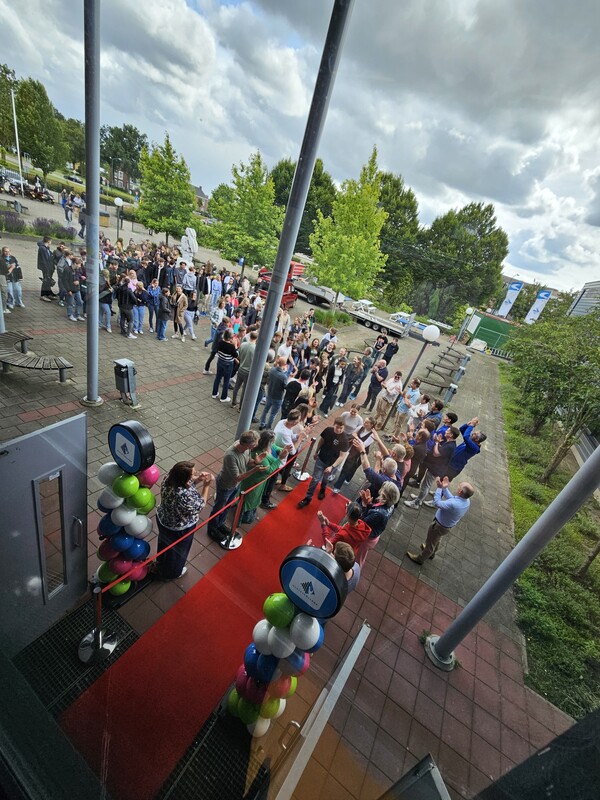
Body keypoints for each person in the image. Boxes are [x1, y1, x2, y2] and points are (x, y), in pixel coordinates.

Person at [155, 461, 213, 579]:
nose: (196, 474)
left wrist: (197, 480)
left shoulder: (168, 478)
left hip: (163, 518)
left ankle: (160, 561)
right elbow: (200, 505)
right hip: (178, 528)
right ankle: (173, 573)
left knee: (164, 544)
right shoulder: (184, 496)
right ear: (185, 478)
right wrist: (206, 486)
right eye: (192, 475)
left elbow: (184, 483)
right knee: (178, 552)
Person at [207, 430, 267, 543]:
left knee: (227, 506)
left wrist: (255, 462)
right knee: (219, 507)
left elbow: (247, 461)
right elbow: (237, 477)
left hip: (234, 485)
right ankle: (212, 528)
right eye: (255, 443)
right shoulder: (231, 455)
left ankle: (220, 523)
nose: (257, 445)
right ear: (247, 444)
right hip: (226, 484)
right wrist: (254, 470)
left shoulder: (246, 449)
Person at [406, 477, 474, 564]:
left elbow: (437, 503)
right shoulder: (466, 501)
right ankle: (432, 553)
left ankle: (421, 558)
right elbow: (452, 498)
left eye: (459, 487)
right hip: (446, 526)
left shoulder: (454, 504)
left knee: (430, 543)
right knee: (436, 539)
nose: (457, 487)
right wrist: (444, 488)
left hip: (439, 526)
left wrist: (439, 488)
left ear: (460, 492)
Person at [297, 417, 350, 508]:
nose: (339, 429)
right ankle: (308, 498)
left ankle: (323, 488)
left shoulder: (344, 440)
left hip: (331, 464)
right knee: (315, 479)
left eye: (341, 428)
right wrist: (316, 451)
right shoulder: (328, 430)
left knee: (325, 478)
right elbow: (321, 440)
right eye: (337, 427)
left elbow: (342, 456)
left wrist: (332, 466)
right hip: (321, 459)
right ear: (334, 425)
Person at [239, 430, 291, 523]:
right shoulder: (260, 453)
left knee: (255, 498)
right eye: (273, 441)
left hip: (260, 481)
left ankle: (248, 514)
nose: (274, 443)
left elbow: (276, 448)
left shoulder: (269, 446)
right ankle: (244, 517)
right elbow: (269, 470)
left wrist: (282, 450)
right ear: (268, 442)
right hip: (254, 481)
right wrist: (280, 459)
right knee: (251, 498)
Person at [404, 426, 460, 509]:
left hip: (436, 469)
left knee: (426, 485)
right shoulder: (449, 443)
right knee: (425, 484)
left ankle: (416, 503)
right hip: (435, 467)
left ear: (451, 435)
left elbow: (436, 453)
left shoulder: (450, 446)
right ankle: (419, 498)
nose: (446, 431)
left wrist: (437, 443)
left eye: (448, 431)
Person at [444, 418, 487, 482]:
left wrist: (472, 426)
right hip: (450, 462)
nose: (472, 434)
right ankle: (438, 491)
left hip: (454, 467)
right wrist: (468, 424)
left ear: (477, 439)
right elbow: (461, 429)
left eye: (474, 434)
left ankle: (441, 492)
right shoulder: (471, 441)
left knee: (445, 481)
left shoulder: (474, 447)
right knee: (441, 478)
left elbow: (465, 436)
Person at [259, 356, 288, 429]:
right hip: (278, 397)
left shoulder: (272, 370)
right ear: (285, 364)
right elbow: (285, 386)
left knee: (265, 410)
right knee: (273, 414)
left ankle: (261, 424)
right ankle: (268, 427)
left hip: (270, 393)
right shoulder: (283, 376)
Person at [232, 330, 258, 408]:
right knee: (244, 390)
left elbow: (238, 355)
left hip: (241, 368)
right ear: (256, 338)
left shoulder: (243, 344)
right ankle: (240, 406)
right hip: (248, 371)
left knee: (236, 386)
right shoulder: (256, 349)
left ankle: (233, 401)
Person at [212, 329, 238, 403]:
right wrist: (235, 346)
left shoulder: (220, 342)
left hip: (220, 361)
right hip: (228, 364)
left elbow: (217, 350)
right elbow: (236, 355)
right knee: (226, 380)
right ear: (230, 337)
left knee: (218, 377)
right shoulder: (231, 346)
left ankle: (214, 393)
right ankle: (223, 397)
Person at [37, 236, 55, 302]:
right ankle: (43, 295)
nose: (51, 243)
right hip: (46, 268)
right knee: (45, 280)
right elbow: (44, 260)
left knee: (47, 280)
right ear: (48, 241)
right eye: (50, 242)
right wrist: (47, 269)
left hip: (48, 267)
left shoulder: (46, 247)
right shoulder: (43, 248)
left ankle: (47, 293)